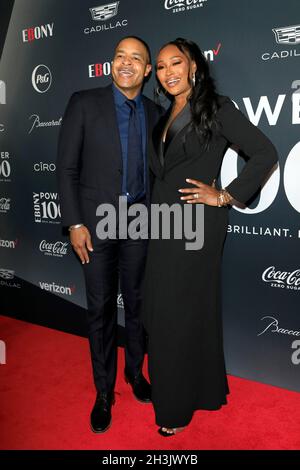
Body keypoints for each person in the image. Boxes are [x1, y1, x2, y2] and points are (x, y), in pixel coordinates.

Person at [142, 38, 278, 436]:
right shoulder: (165, 114)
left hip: (198, 225)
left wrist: (226, 196)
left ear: (194, 67)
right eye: (162, 66)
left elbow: (265, 152)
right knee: (165, 310)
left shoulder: (216, 109)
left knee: (174, 315)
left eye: (176, 63)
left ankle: (174, 408)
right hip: (163, 224)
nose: (168, 72)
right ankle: (195, 387)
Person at [57, 36, 162, 433]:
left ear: (148, 70)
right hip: (95, 224)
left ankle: (135, 373)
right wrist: (75, 223)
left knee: (138, 304)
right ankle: (104, 392)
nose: (126, 63)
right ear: (111, 63)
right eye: (120, 56)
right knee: (100, 309)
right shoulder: (84, 103)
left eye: (136, 58)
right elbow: (66, 168)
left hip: (138, 221)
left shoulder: (155, 112)